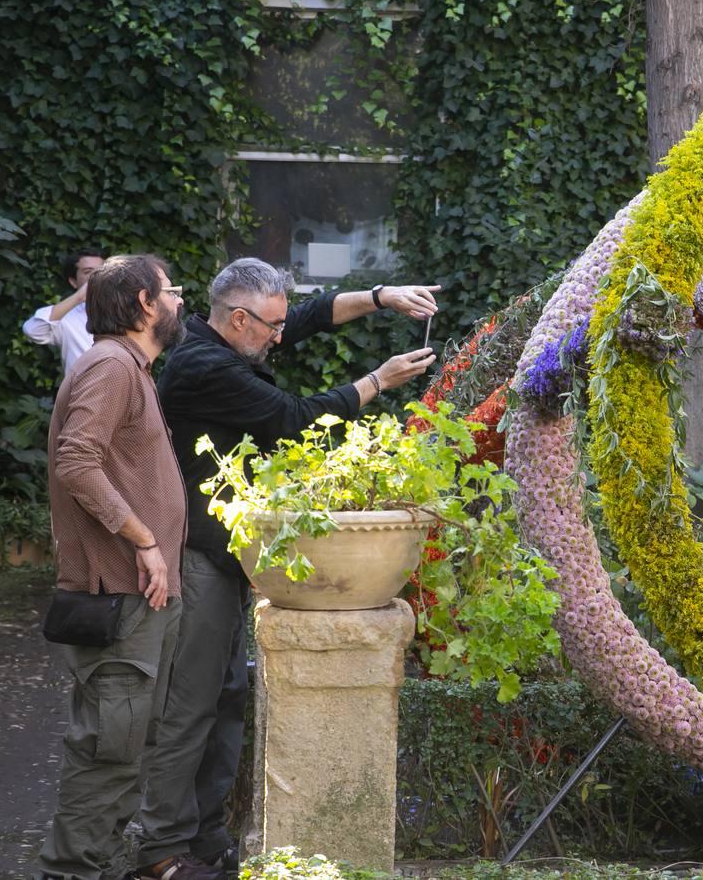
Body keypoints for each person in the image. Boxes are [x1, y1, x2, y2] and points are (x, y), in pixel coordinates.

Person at [135, 258, 438, 876]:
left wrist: (382, 297)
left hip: (225, 550)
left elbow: (305, 315)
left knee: (226, 696)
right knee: (192, 703)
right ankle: (161, 849)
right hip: (198, 553)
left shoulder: (222, 337)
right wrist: (378, 381)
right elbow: (292, 418)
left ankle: (204, 836)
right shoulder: (203, 366)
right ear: (239, 319)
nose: (281, 336)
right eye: (269, 326)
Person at [33, 255, 215, 880]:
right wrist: (142, 539)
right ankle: (72, 872)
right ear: (144, 303)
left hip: (140, 603)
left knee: (127, 747)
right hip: (119, 601)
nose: (180, 303)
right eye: (173, 292)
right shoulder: (112, 366)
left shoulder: (127, 368)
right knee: (109, 752)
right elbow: (76, 461)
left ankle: (98, 865)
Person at [23, 249, 105, 375]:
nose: (97, 277)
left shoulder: (129, 312)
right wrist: (79, 297)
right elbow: (33, 330)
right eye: (88, 272)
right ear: (73, 281)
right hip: (83, 393)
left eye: (102, 271)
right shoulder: (65, 317)